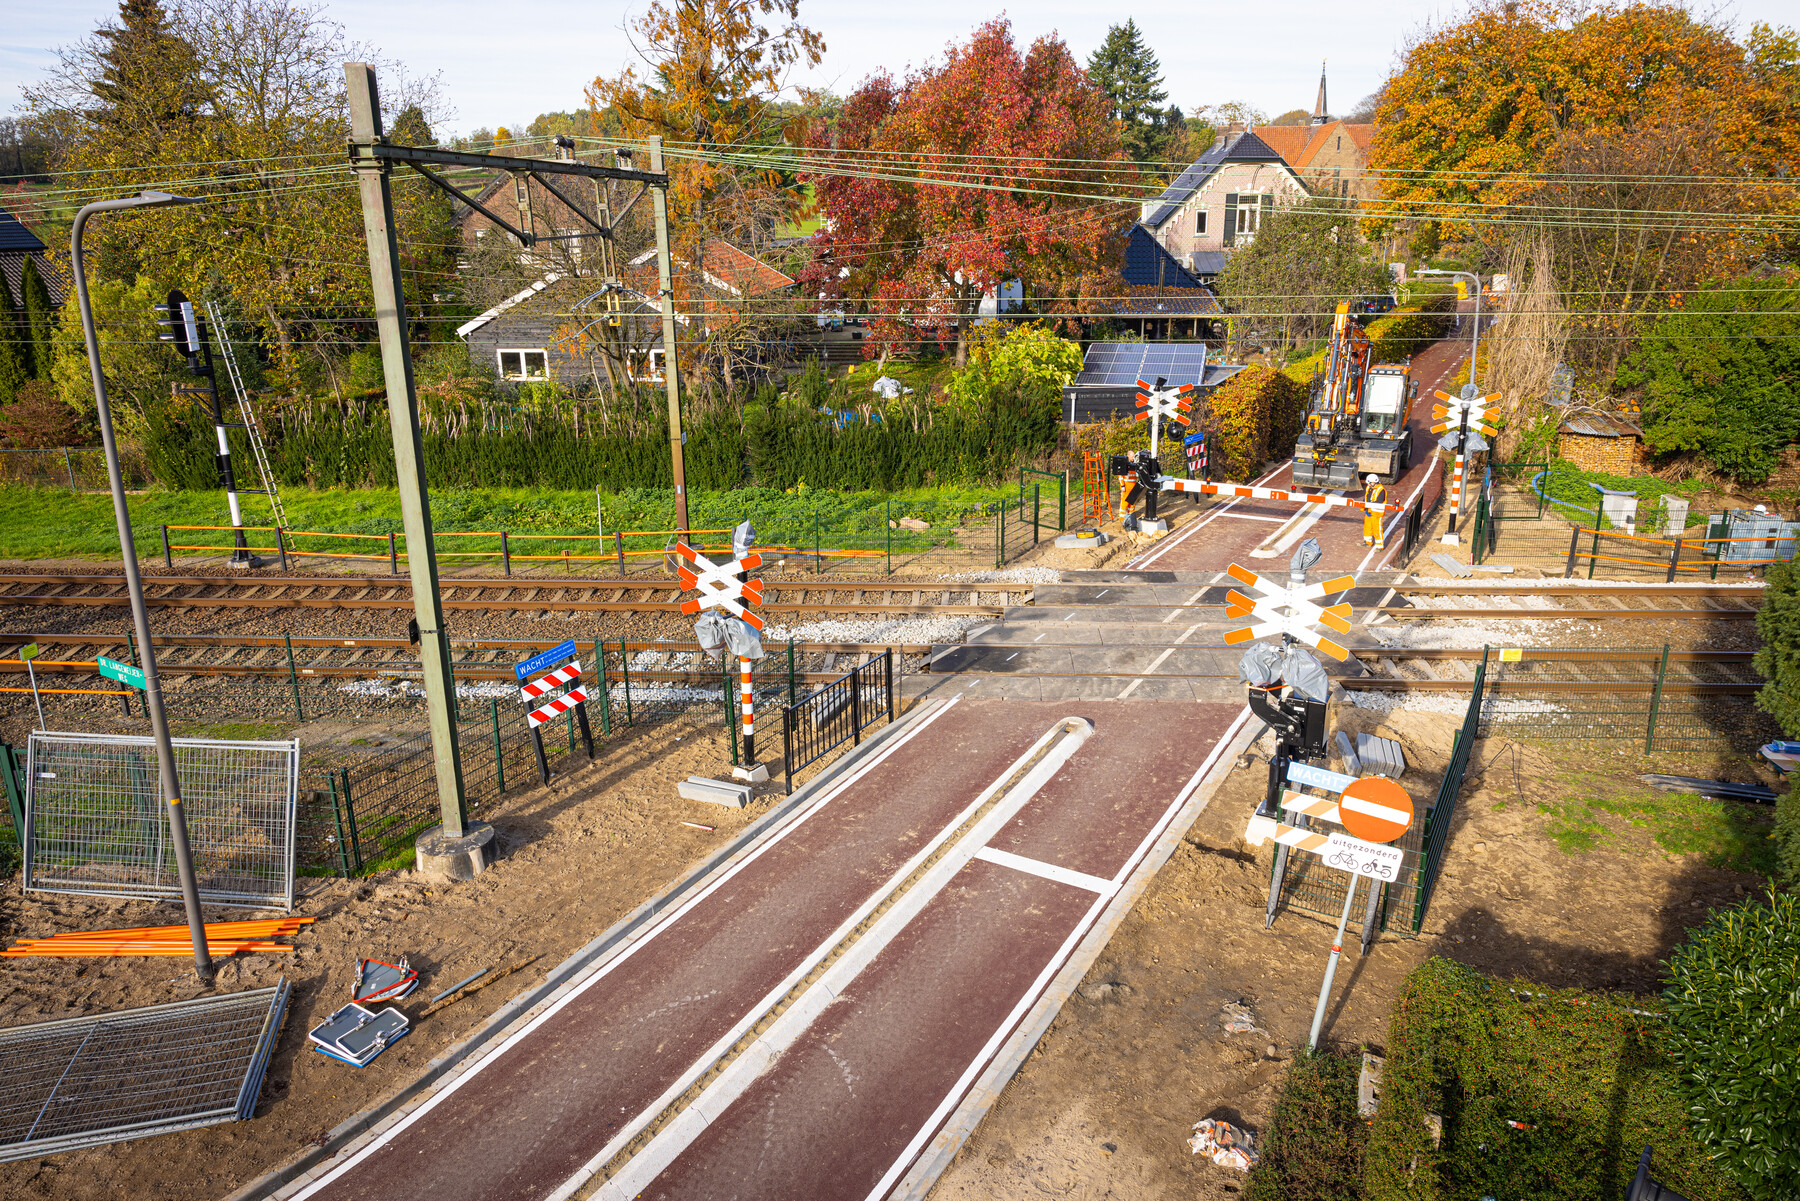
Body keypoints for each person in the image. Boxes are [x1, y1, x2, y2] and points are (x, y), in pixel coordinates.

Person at [1363, 473, 1387, 546]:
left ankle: (1379, 545)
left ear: (1374, 482)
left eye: (1370, 483)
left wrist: (1369, 505)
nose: (1369, 484)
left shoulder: (1381, 490)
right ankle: (1368, 542)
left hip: (1376, 513)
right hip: (1369, 511)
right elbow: (1367, 497)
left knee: (1377, 528)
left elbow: (1379, 501)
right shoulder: (1369, 487)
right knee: (1367, 527)